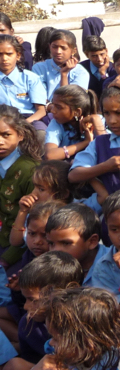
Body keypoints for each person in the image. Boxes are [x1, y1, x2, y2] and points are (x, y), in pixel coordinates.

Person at [0, 112, 41, 268]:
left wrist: (6, 259)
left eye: (6, 135)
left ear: (20, 135)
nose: (0, 141)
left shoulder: (31, 172)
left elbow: (33, 224)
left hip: (20, 250)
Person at [0, 36, 46, 126]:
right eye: (0, 54)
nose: (4, 58)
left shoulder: (30, 78)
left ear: (18, 56)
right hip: (1, 120)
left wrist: (23, 125)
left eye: (9, 54)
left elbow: (41, 111)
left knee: (41, 132)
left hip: (28, 120)